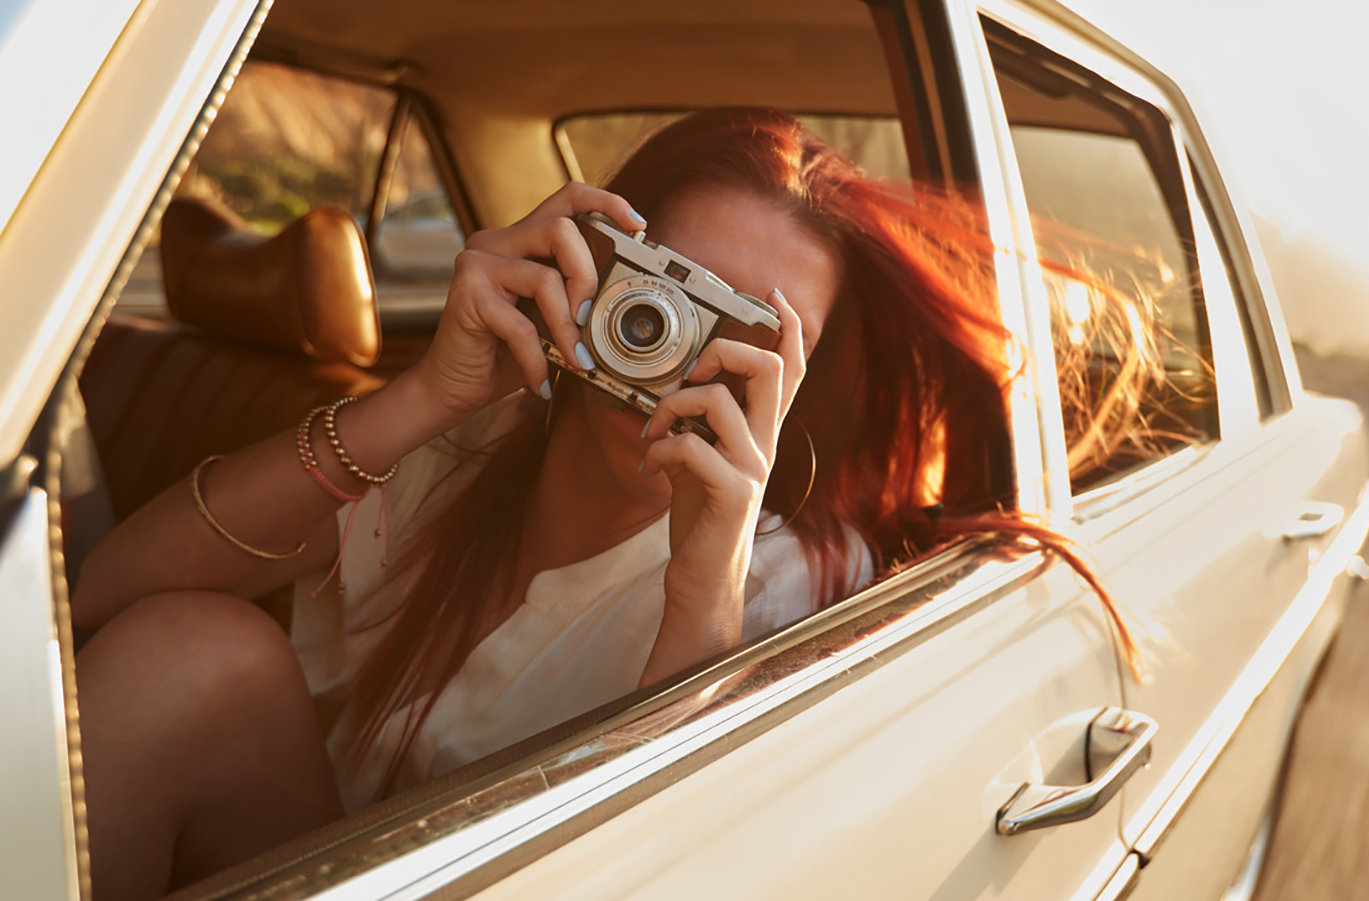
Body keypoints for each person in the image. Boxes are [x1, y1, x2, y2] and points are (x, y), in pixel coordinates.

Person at [69, 107, 1143, 901]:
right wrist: (419, 398)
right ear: (587, 264)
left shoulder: (791, 580)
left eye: (745, 335)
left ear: (798, 387)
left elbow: (690, 869)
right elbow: (106, 600)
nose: (680, 352)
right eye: (666, 291)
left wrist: (700, 577)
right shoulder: (460, 445)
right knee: (183, 651)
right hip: (312, 861)